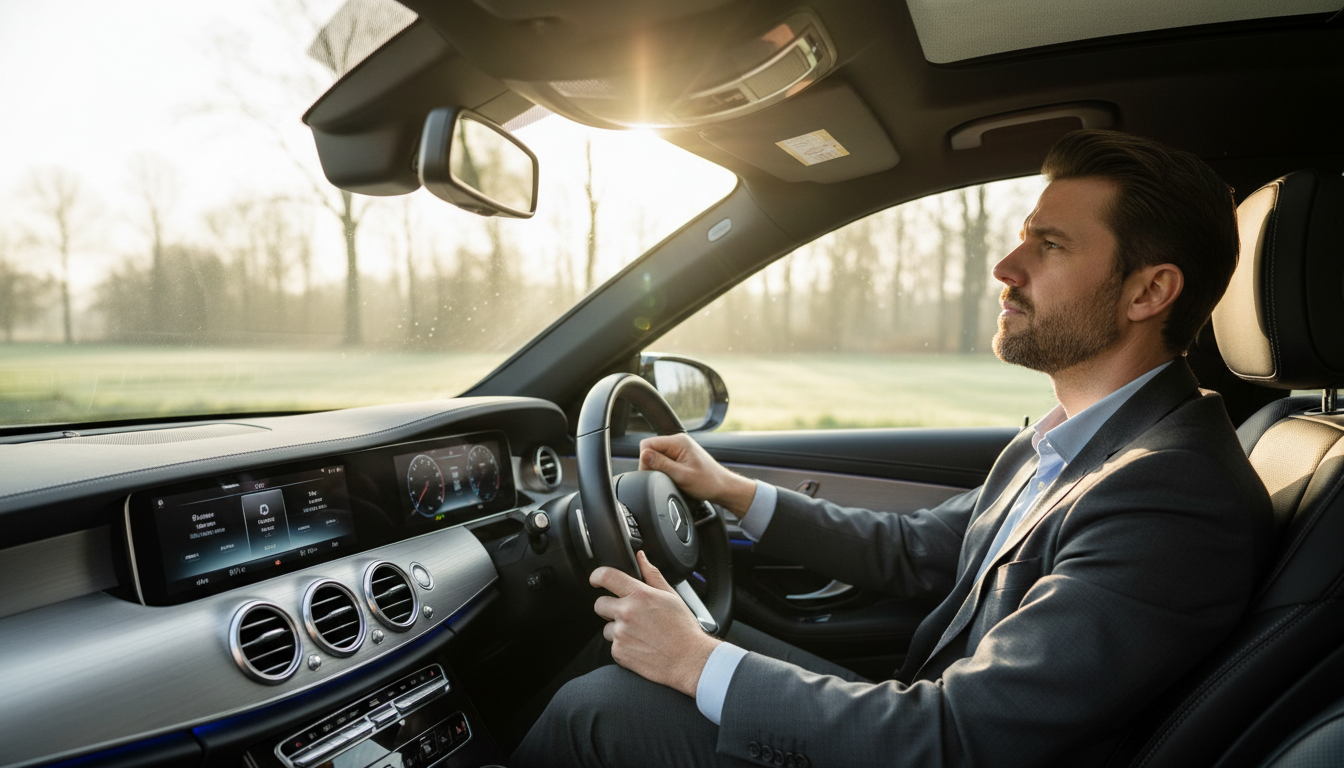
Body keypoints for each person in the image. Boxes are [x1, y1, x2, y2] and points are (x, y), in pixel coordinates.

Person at [512, 129, 1274, 768]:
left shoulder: (1171, 495)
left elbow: (959, 734)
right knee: (618, 635)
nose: (1006, 270)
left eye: (1049, 247)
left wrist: (693, 661)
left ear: (1149, 293)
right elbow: (918, 549)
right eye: (1020, 241)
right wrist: (734, 492)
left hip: (936, 743)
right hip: (925, 718)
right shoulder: (1079, 440)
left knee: (600, 707)